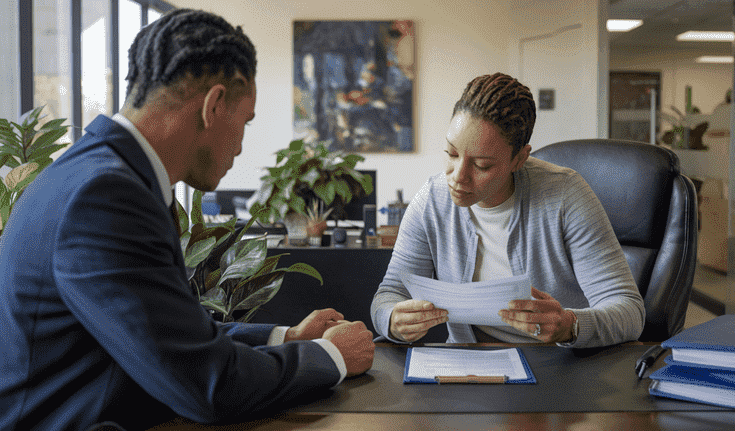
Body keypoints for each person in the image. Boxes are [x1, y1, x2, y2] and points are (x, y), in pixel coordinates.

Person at [0, 9, 374, 431]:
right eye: (245, 122)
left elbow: (164, 336)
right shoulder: (105, 197)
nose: (241, 145)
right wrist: (331, 356)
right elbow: (209, 387)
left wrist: (285, 338)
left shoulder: (93, 174)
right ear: (214, 106)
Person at [371, 73, 644, 347]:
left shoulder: (565, 195)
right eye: (452, 154)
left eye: (482, 165)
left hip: (554, 368)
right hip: (467, 365)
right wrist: (392, 319)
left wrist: (570, 325)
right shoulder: (431, 199)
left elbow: (630, 312)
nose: (458, 176)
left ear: (519, 159)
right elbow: (390, 294)